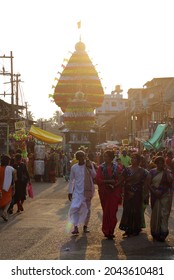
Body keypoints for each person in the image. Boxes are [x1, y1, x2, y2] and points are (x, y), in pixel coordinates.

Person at [119, 152, 149, 237]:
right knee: (127, 210)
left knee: (136, 211)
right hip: (127, 194)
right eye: (131, 157)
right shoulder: (126, 169)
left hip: (138, 194)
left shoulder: (143, 171)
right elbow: (121, 180)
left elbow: (147, 183)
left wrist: (147, 194)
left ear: (139, 160)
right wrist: (115, 187)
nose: (132, 159)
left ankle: (136, 228)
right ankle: (127, 229)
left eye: (135, 158)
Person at [68, 150, 96, 234]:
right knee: (74, 208)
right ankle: (75, 227)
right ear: (76, 158)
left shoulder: (89, 165)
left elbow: (94, 175)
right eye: (79, 157)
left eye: (82, 156)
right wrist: (70, 192)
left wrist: (90, 168)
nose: (81, 158)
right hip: (77, 192)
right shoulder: (74, 167)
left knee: (87, 209)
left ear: (85, 157)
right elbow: (71, 180)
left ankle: (85, 226)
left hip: (87, 191)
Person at [96, 150, 121, 240]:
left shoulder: (117, 167)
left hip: (114, 192)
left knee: (113, 212)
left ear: (111, 158)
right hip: (104, 193)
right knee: (106, 211)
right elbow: (98, 180)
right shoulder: (101, 168)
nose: (105, 158)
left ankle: (111, 230)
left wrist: (114, 185)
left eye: (106, 156)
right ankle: (106, 231)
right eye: (104, 156)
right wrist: (109, 181)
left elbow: (120, 179)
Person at [148, 156, 173, 242]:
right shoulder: (152, 172)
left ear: (164, 163)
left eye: (161, 162)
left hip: (165, 196)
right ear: (156, 163)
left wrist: (165, 171)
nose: (160, 164)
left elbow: (170, 181)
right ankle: (156, 232)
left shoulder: (167, 172)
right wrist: (154, 192)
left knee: (164, 214)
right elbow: (148, 184)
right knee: (156, 214)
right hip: (155, 196)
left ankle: (163, 233)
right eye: (158, 162)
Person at [0, 155, 16, 221]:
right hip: (7, 188)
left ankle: (3, 213)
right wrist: (14, 187)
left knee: (1, 200)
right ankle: (4, 211)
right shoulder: (10, 169)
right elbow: (14, 177)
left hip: (0, 187)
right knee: (9, 200)